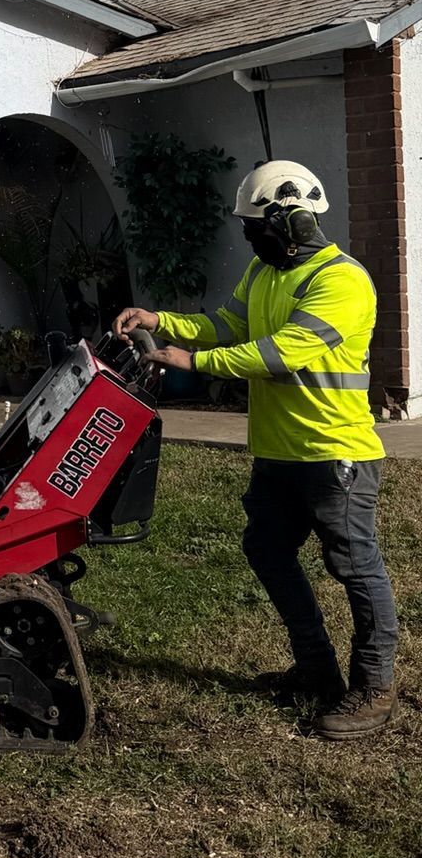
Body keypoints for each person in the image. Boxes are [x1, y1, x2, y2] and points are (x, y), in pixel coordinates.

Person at [115, 158, 399, 741]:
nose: (249, 237)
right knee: (267, 549)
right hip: (279, 452)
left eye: (256, 227)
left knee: (355, 567)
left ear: (292, 221)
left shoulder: (341, 280)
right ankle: (317, 669)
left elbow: (284, 350)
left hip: (332, 452)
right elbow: (227, 323)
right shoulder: (265, 272)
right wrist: (161, 319)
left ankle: (374, 686)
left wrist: (193, 363)